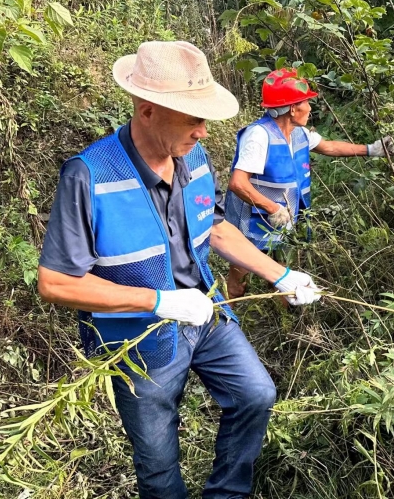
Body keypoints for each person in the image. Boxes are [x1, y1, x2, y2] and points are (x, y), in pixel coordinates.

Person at [36, 41, 320, 498]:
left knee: (256, 395)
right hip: (138, 338)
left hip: (206, 312)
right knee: (158, 463)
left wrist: (278, 274)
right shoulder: (89, 175)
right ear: (148, 111)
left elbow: (217, 229)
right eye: (193, 119)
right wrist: (159, 301)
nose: (204, 132)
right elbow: (55, 282)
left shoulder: (193, 158)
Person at [224, 68, 394, 297]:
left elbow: (330, 147)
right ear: (293, 108)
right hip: (252, 221)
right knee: (240, 273)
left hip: (281, 221)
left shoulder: (298, 133)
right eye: (306, 102)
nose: (311, 108)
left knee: (280, 273)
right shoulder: (259, 136)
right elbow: (238, 183)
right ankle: (225, 322)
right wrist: (272, 207)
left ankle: (282, 319)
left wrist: (371, 150)